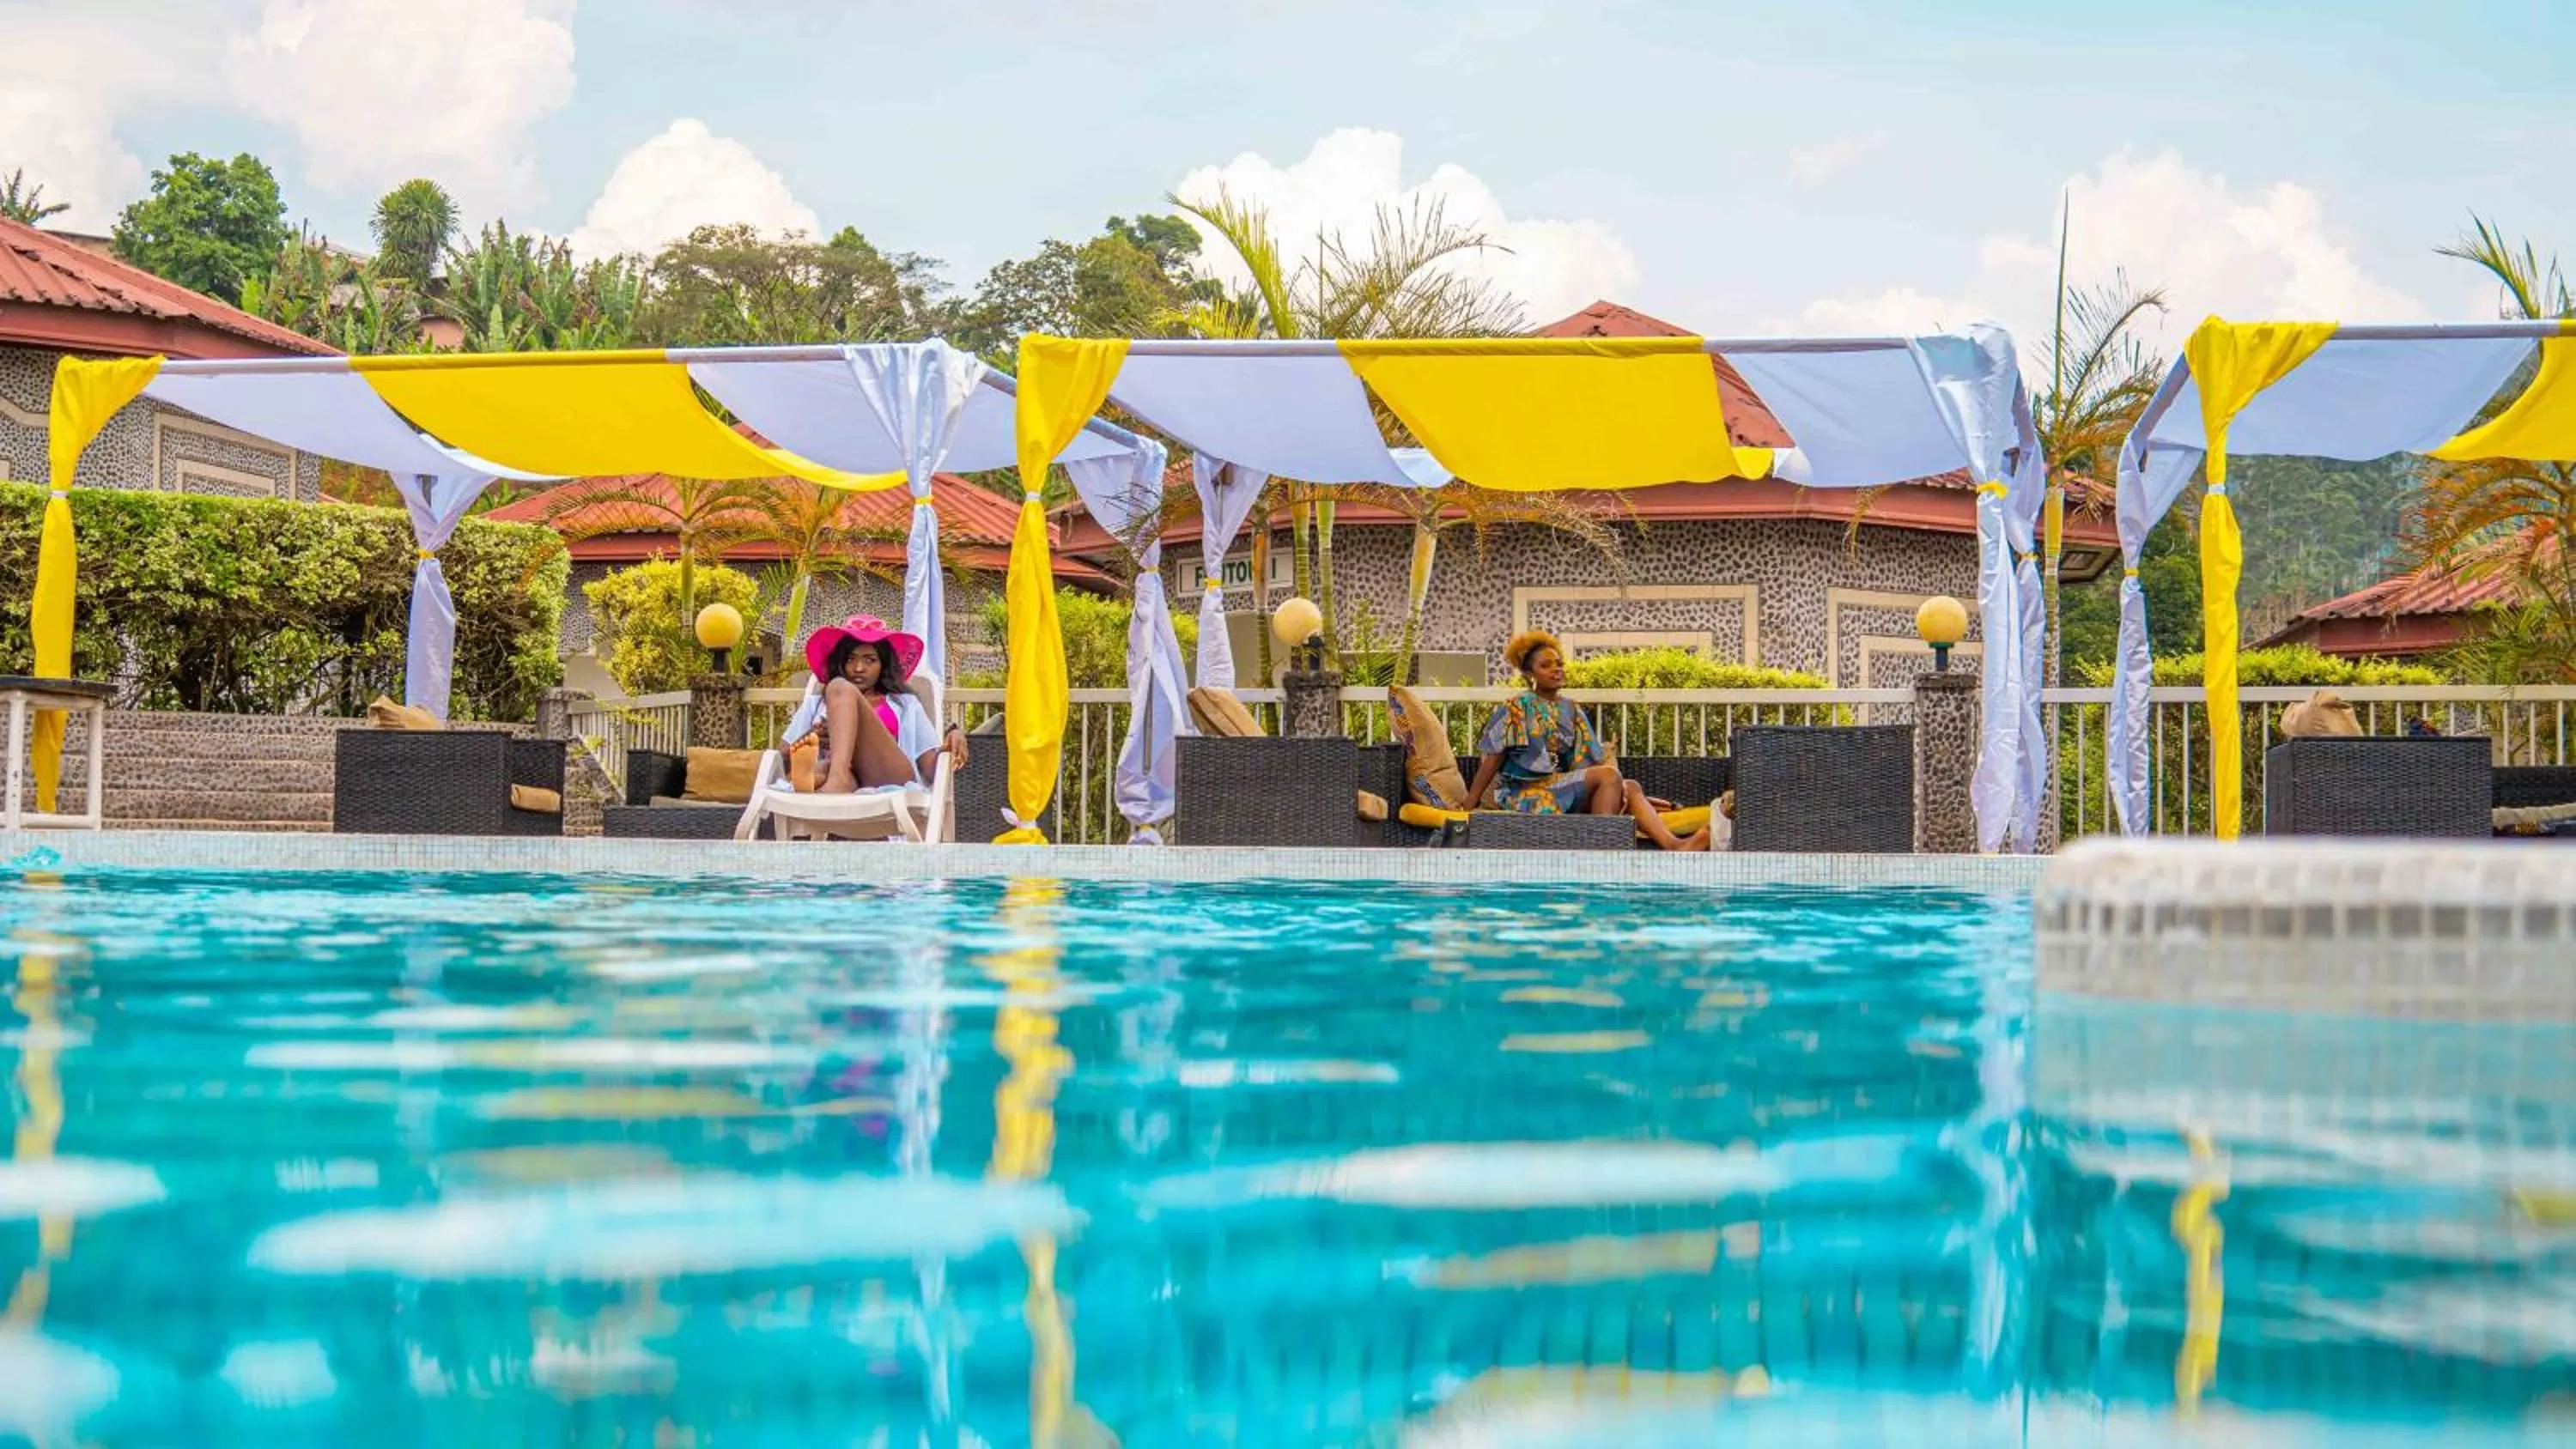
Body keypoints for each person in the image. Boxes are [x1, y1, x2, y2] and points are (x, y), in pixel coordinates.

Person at [1466, 630, 1710, 851]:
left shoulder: (1571, 709)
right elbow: (1493, 759)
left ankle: (1675, 845)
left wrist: (1626, 792)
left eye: (1559, 664)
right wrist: (1468, 803)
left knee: (1632, 786)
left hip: (1561, 787)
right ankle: (1601, 852)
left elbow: (1590, 761)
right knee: (1610, 777)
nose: (1557, 669)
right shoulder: (1517, 707)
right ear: (1530, 673)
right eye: (1546, 665)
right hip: (1527, 793)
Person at [799, 615, 968, 793]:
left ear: (883, 665)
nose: (858, 668)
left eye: (870, 660)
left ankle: (832, 778)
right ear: (840, 662)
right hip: (848, 781)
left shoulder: (906, 705)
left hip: (890, 779)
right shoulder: (816, 703)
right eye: (850, 659)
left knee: (840, 687)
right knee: (824, 767)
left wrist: (952, 742)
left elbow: (930, 772)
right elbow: (783, 758)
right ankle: (826, 778)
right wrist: (813, 737)